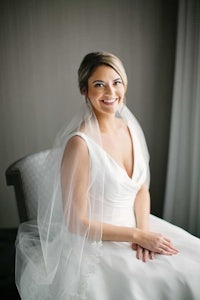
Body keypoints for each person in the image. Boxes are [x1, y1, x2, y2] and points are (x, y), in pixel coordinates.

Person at [16, 52, 200, 300]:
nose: (110, 92)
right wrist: (136, 236)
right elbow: (76, 222)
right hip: (96, 242)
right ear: (84, 90)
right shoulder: (80, 145)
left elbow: (141, 189)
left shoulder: (130, 127)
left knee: (192, 266)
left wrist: (144, 232)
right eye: (99, 85)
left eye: (116, 82)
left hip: (140, 225)